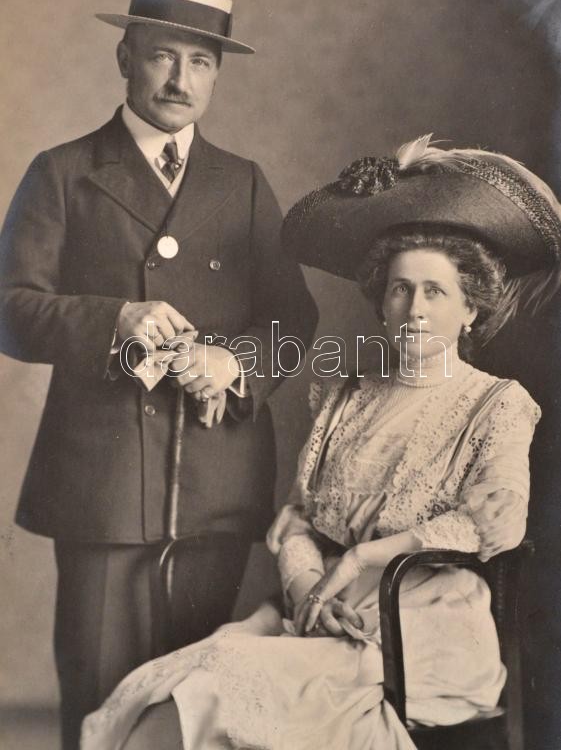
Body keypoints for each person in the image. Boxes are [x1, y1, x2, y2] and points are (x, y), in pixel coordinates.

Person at [80, 134, 561, 750]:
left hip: (424, 634)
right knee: (165, 696)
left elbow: (497, 523)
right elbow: (298, 520)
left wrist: (363, 558)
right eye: (400, 288)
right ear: (381, 303)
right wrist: (309, 590)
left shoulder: (497, 404)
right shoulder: (345, 396)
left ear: (471, 309)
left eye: (436, 291)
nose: (415, 308)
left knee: (214, 698)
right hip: (323, 615)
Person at [0, 0, 318, 750]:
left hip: (216, 482)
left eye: (200, 62)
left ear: (216, 74)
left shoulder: (242, 182)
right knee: (100, 698)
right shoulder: (64, 172)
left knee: (195, 705)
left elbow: (294, 318)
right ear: (125, 58)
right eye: (162, 57)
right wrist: (114, 319)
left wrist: (234, 364)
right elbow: (9, 306)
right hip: (104, 484)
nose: (180, 79)